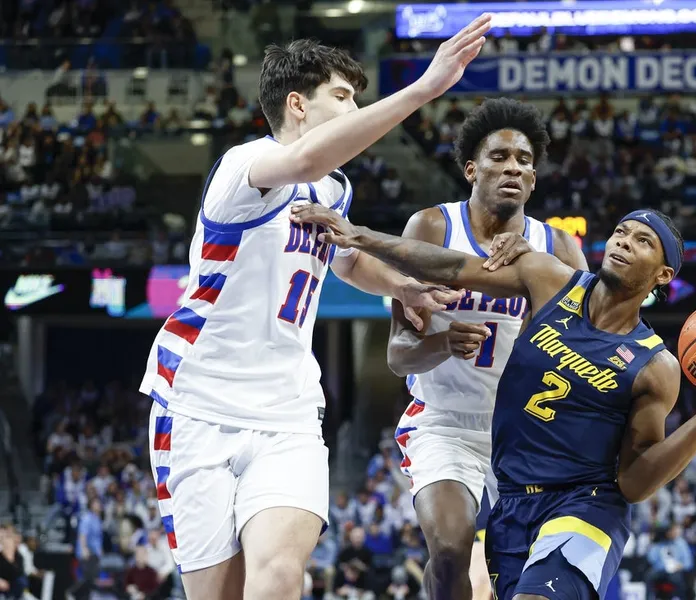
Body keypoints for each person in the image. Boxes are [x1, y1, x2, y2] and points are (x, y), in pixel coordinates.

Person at [139, 16, 492, 600]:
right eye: (343, 96)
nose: (355, 109)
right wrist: (423, 89)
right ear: (298, 104)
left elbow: (346, 262)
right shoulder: (243, 167)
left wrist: (402, 287)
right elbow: (302, 162)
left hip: (289, 410)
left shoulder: (334, 190)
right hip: (198, 403)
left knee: (281, 573)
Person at [289, 203, 696, 599]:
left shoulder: (655, 366)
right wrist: (362, 237)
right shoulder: (550, 280)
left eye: (642, 241)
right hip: (513, 503)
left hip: (586, 505)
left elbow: (634, 482)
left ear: (663, 274)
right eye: (621, 232)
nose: (624, 242)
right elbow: (451, 265)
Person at [386, 98, 587, 600]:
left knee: (517, 574)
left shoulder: (559, 249)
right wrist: (442, 342)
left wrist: (539, 282)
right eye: (499, 157)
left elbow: (589, 349)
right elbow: (398, 355)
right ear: (471, 169)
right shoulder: (433, 228)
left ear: (534, 179)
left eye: (524, 160)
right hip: (444, 422)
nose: (513, 167)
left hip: (525, 432)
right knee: (450, 547)